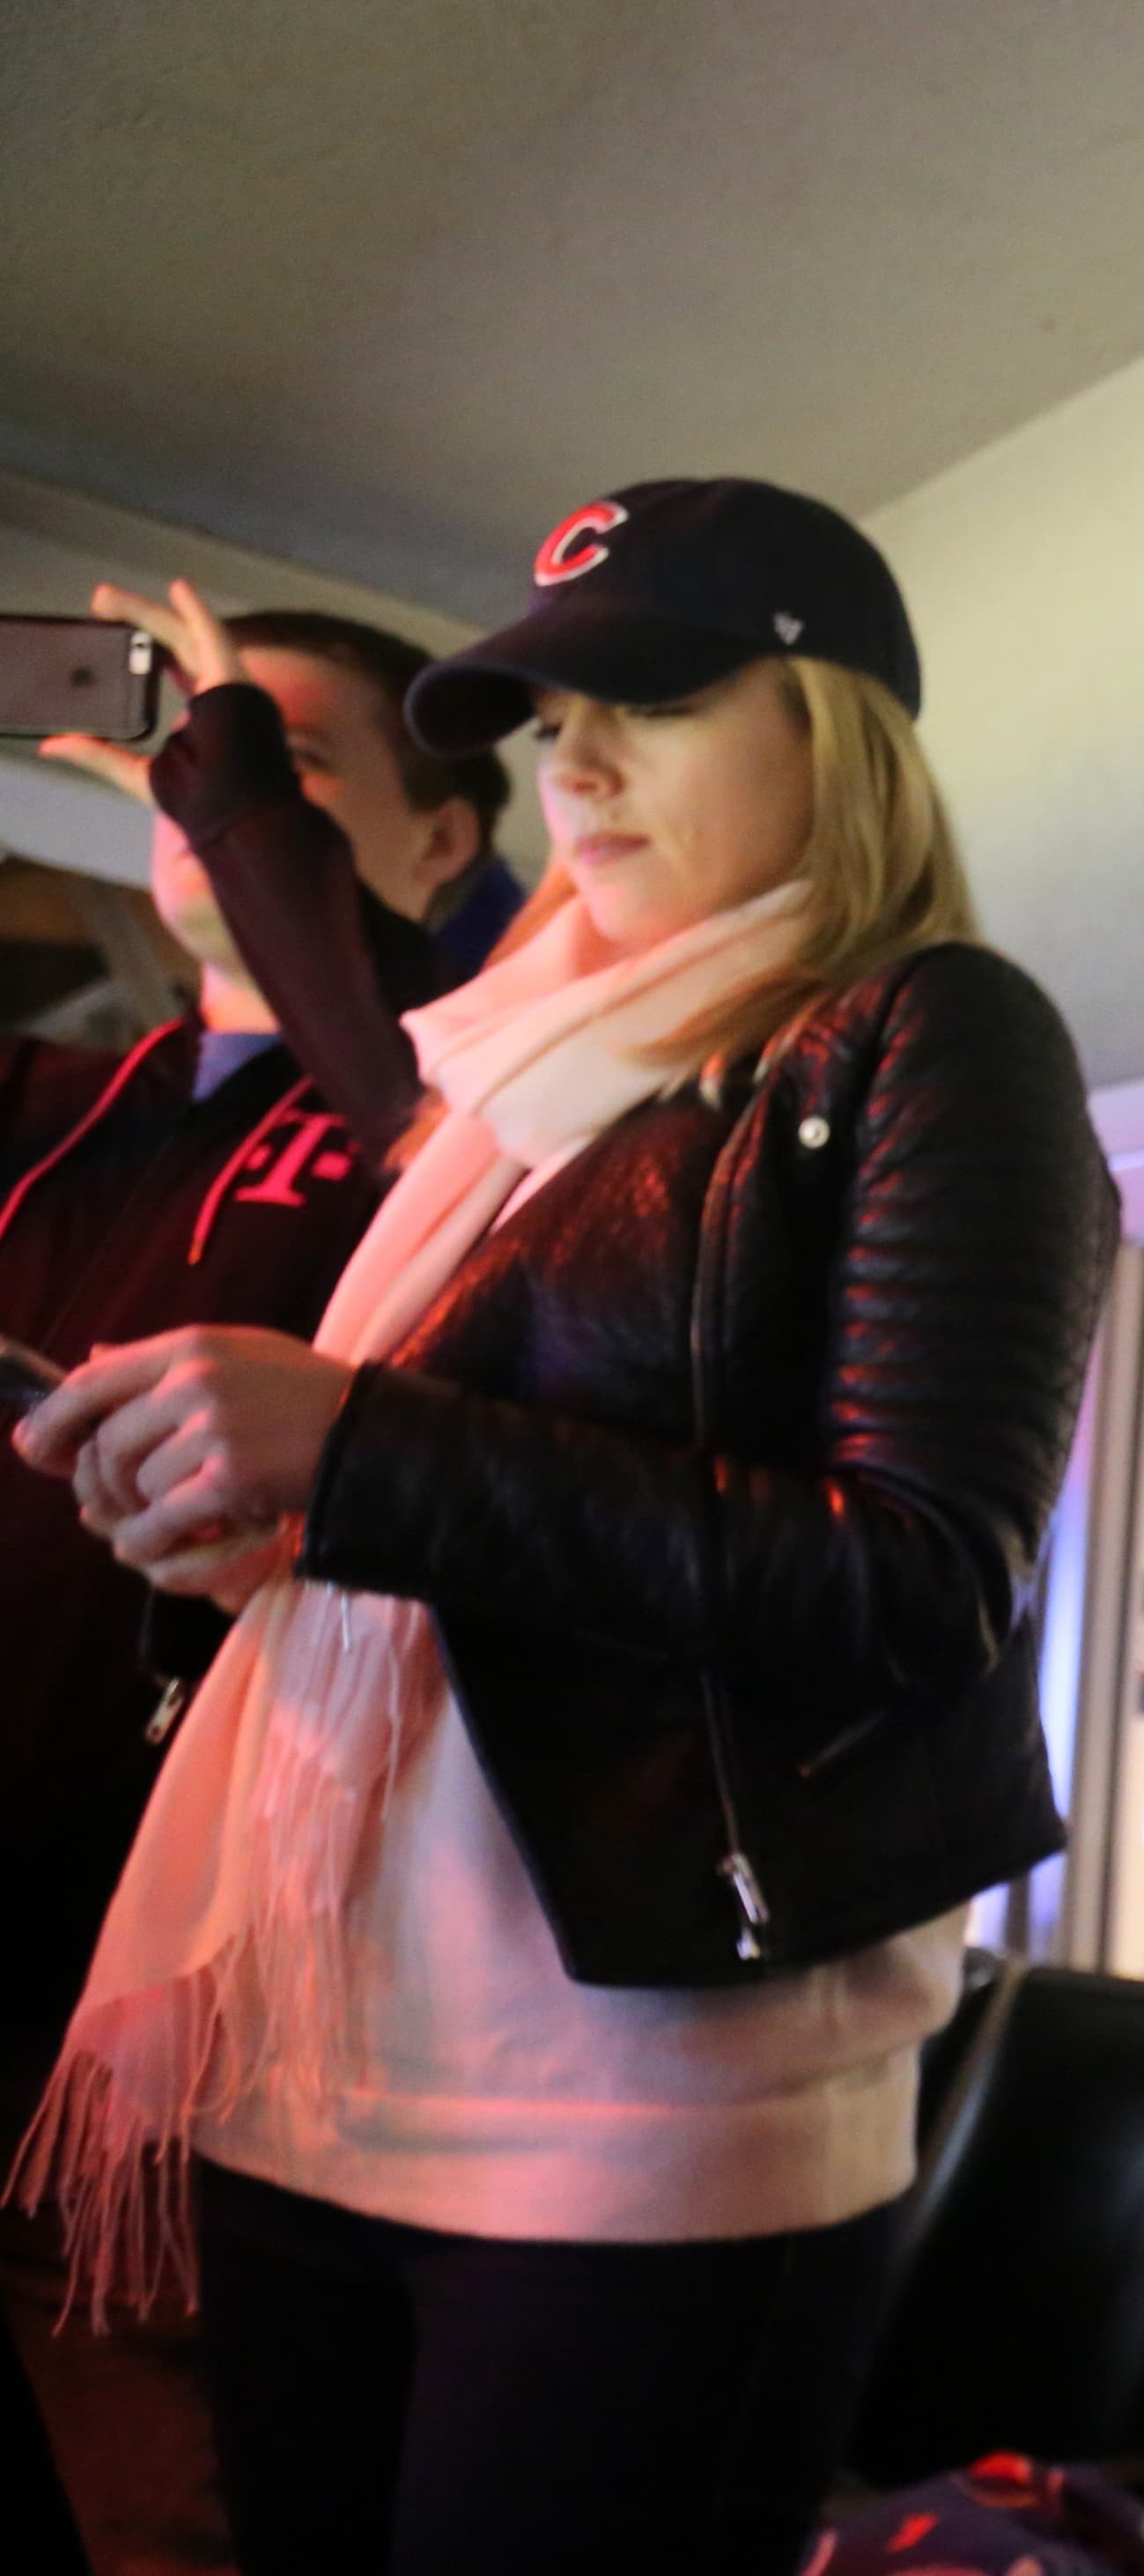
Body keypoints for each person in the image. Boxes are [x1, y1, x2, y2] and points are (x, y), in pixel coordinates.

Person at [9, 477, 1118, 2576]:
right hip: (323, 2049)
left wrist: (357, 1460)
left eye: (653, 698)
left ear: (840, 727)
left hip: (630, 2114)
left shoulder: (933, 1031)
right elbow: (485, 1518)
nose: (574, 761)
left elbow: (917, 1575)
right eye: (547, 720)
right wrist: (270, 1527)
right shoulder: (521, 1080)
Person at [2, 591, 511, 2576]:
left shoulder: (472, 1132)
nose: (197, 783)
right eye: (181, 749)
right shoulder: (70, 1105)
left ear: (443, 840)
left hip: (218, 2012)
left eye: (274, 756)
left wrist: (233, 806)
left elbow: (420, 1083)